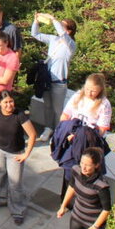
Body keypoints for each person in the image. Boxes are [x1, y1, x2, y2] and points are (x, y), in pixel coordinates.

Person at [0, 89, 37, 225]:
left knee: (15, 183)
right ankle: (0, 198)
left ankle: (18, 210)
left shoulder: (19, 115)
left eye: (11, 101)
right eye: (5, 102)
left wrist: (26, 154)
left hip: (15, 153)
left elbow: (32, 135)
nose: (9, 105)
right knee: (0, 175)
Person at [31, 12, 76, 141]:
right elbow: (35, 34)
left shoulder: (70, 45)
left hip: (59, 82)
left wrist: (53, 19)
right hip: (47, 80)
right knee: (47, 106)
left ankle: (58, 131)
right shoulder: (53, 39)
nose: (60, 27)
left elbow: (62, 34)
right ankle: (48, 128)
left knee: (58, 110)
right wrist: (36, 21)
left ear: (69, 31)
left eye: (63, 26)